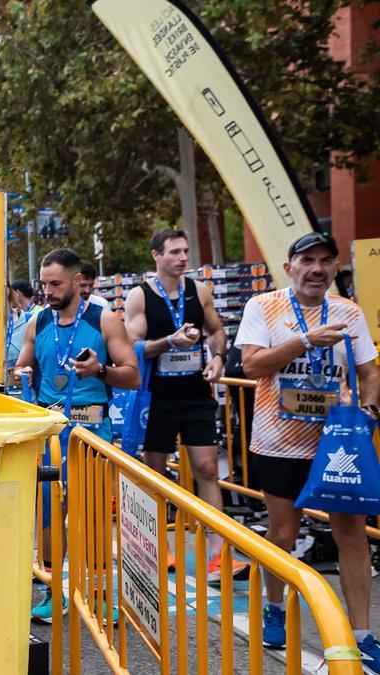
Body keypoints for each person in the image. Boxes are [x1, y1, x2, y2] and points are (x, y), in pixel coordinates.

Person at [235, 232, 380, 666]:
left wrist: (369, 410)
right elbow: (252, 364)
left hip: (336, 442)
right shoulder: (263, 306)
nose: (317, 268)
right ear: (289, 267)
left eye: (325, 261)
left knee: (351, 536)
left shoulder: (348, 313)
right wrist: (305, 341)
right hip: (278, 443)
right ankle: (275, 609)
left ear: (335, 268)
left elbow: (369, 372)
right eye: (308, 260)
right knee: (283, 534)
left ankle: (362, 634)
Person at [14, 248, 139, 622]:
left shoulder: (104, 320)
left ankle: (100, 594)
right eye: (44, 284)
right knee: (50, 515)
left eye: (56, 284)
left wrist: (100, 371)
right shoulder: (38, 321)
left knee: (94, 516)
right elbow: (20, 365)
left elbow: (132, 375)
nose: (48, 291)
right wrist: (19, 373)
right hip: (52, 434)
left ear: (76, 281)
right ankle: (55, 593)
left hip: (92, 433)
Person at [124, 229, 246, 580]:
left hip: (195, 394)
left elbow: (217, 330)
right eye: (174, 251)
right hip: (156, 397)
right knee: (156, 474)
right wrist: (168, 342)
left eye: (185, 251)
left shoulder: (199, 291)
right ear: (156, 255)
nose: (182, 257)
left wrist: (219, 358)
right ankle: (158, 548)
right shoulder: (140, 295)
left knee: (208, 470)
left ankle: (218, 556)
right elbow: (135, 348)